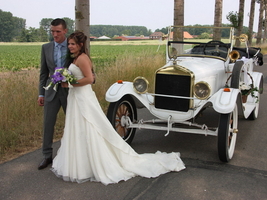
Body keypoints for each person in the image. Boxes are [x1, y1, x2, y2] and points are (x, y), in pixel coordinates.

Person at [51, 31, 185, 185]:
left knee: (91, 127)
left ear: (81, 45)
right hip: (76, 98)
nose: (70, 46)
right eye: (69, 44)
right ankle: (80, 164)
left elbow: (89, 79)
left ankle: (96, 163)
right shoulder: (75, 59)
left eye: (73, 44)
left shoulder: (82, 59)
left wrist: (70, 83)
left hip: (83, 98)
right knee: (78, 128)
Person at [38, 18, 71, 170]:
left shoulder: (73, 46)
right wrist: (41, 94)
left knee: (72, 123)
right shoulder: (46, 48)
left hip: (69, 92)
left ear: (65, 30)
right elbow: (43, 73)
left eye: (58, 31)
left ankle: (74, 154)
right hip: (50, 91)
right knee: (48, 124)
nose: (55, 34)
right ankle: (46, 156)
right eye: (52, 31)